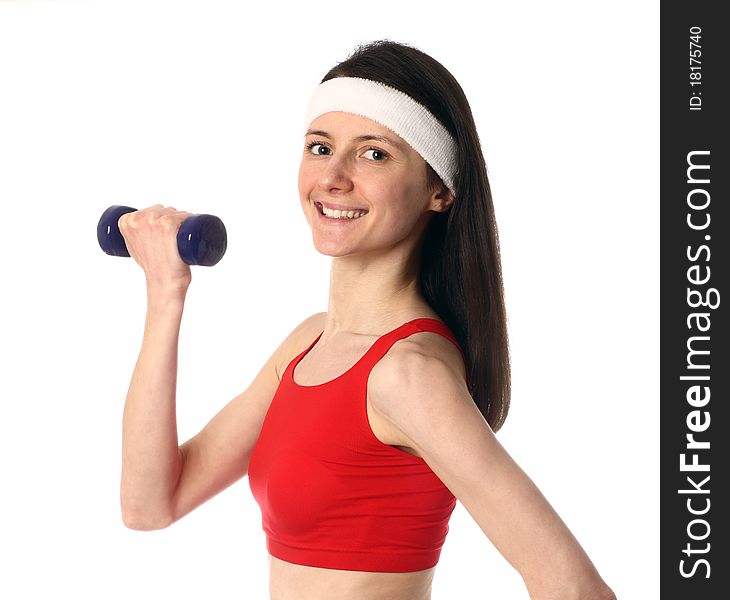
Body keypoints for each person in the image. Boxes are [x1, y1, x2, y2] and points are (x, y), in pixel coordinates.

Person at [118, 39, 617, 600]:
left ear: (440, 190)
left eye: (374, 153)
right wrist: (166, 292)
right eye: (319, 146)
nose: (333, 177)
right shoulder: (309, 344)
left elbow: (575, 589)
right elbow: (149, 505)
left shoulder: (408, 375)